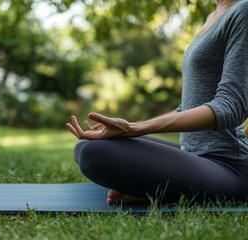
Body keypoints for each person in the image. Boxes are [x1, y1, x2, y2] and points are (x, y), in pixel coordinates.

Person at [66, 0, 248, 205]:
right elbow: (185, 109)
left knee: (95, 154)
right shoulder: (214, 15)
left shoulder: (243, 11)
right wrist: (126, 127)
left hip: (229, 166)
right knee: (86, 147)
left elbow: (231, 107)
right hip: (193, 156)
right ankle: (157, 189)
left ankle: (158, 191)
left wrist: (135, 128)